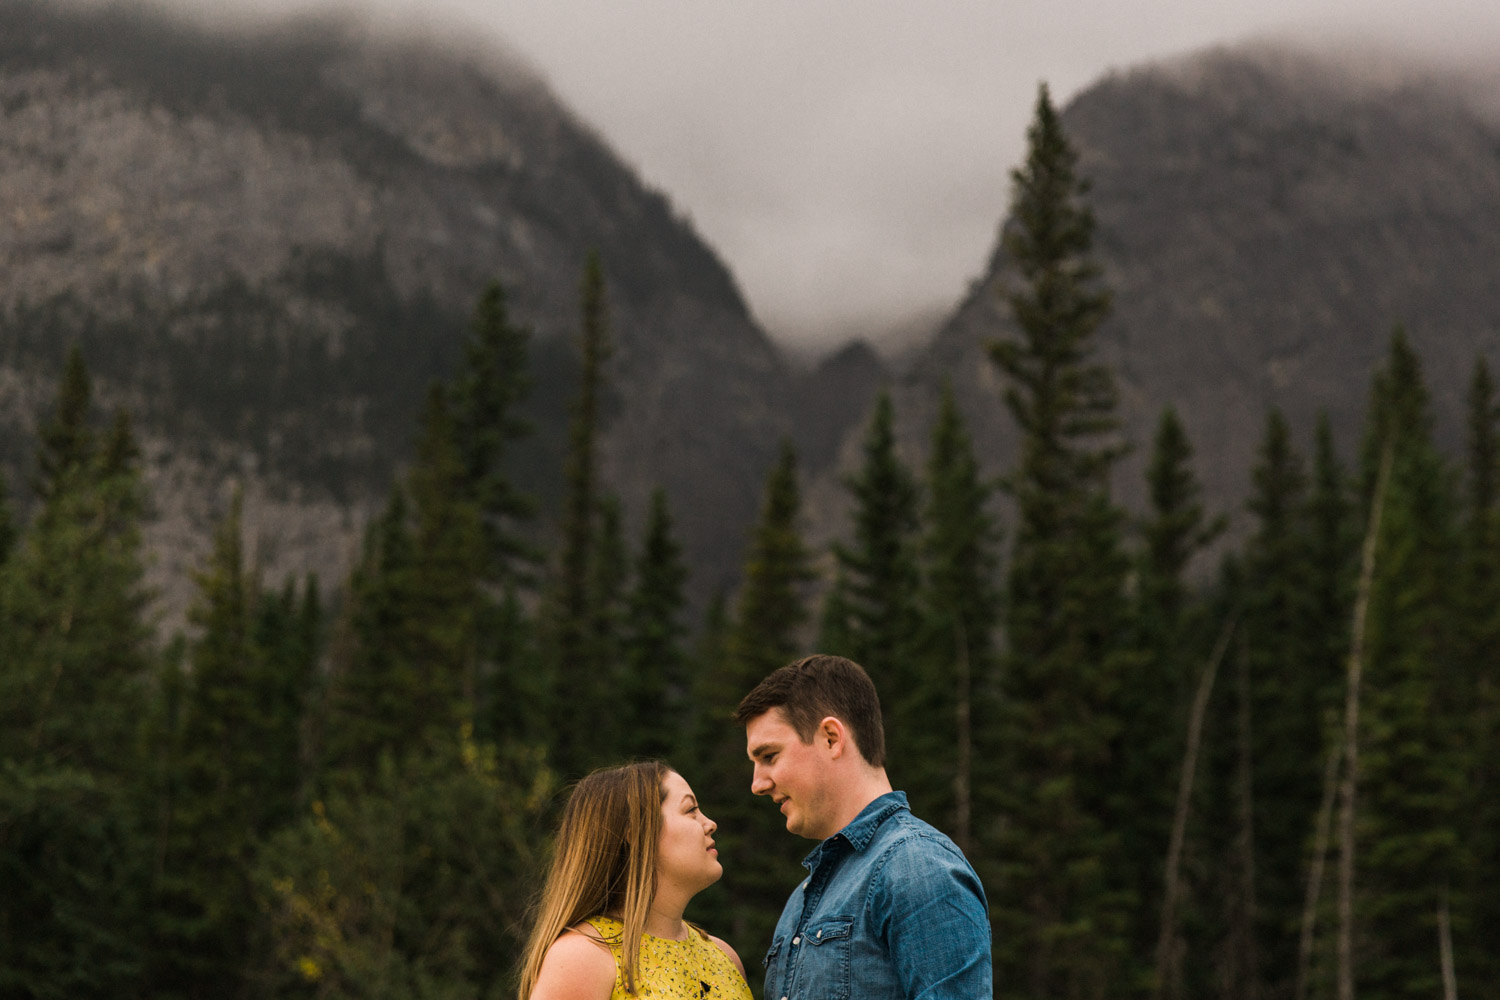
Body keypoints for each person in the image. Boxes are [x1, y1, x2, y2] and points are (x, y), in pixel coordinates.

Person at [736, 654, 992, 999]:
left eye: (769, 756)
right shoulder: (802, 899)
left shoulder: (919, 868)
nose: (757, 784)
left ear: (830, 738)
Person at [517, 760, 752, 1000]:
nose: (710, 824)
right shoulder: (582, 959)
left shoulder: (724, 957)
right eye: (690, 810)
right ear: (635, 831)